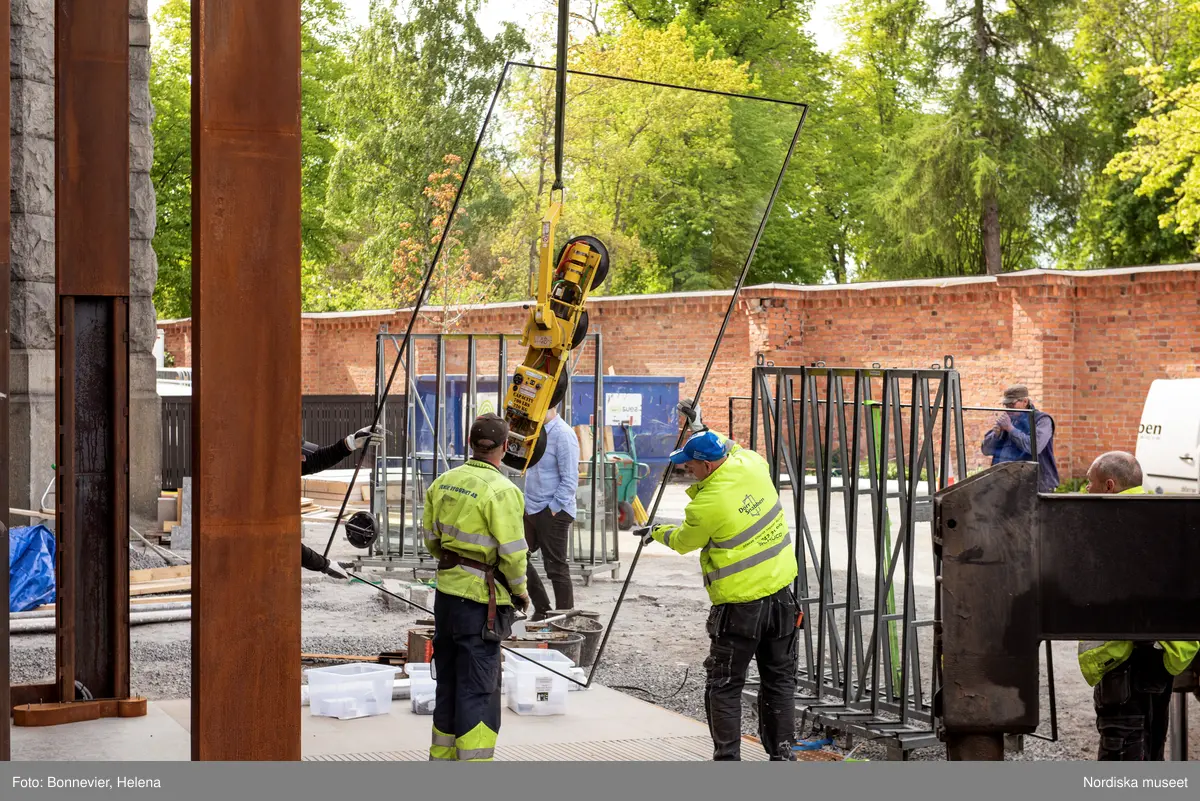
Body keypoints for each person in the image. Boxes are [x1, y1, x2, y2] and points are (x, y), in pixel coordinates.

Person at [635, 428, 800, 761]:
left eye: (690, 466)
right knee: (779, 680)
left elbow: (684, 541)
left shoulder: (708, 504)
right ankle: (783, 757)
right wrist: (701, 426)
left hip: (741, 608)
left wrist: (657, 531)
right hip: (782, 597)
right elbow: (732, 445)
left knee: (725, 685)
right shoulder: (752, 463)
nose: (687, 471)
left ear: (707, 466)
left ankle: (728, 762)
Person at [1078, 451, 1199, 761]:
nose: (1085, 490)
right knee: (1151, 745)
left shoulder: (1117, 525)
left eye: (1089, 484)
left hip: (1129, 660)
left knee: (1124, 751)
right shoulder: (1162, 516)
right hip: (1160, 655)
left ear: (1108, 485)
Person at [423, 413, 530, 762]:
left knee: (449, 683)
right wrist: (520, 593)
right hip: (480, 605)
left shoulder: (443, 482)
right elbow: (513, 554)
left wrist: (455, 565)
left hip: (447, 598)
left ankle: (442, 761)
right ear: (504, 447)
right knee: (478, 690)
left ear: (470, 443)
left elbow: (432, 540)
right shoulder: (503, 491)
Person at [300, 425, 382, 579]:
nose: (304, 458)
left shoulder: (281, 466)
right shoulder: (264, 490)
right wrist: (325, 565)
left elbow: (316, 459)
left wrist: (350, 443)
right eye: (300, 454)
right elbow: (285, 543)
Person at [521, 406, 580, 620]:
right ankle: (543, 609)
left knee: (555, 566)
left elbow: (570, 480)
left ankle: (565, 617)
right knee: (516, 557)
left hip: (554, 509)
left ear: (551, 405)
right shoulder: (536, 431)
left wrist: (552, 510)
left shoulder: (563, 435)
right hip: (531, 507)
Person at [981, 384, 1060, 492]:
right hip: (1005, 483)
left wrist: (1011, 429)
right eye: (1006, 405)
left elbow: (1034, 447)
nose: (1008, 408)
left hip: (1035, 484)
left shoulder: (1042, 420)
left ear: (1025, 402)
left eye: (1012, 404)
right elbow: (986, 450)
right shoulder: (1007, 419)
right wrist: (996, 434)